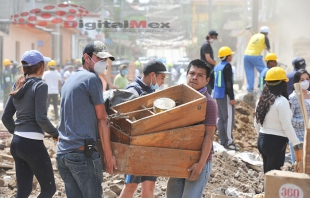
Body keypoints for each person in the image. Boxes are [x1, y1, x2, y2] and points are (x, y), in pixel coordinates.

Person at [56, 40, 117, 198]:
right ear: (86, 57)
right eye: (100, 59)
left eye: (105, 60)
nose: (103, 63)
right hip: (82, 155)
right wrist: (108, 156)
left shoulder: (69, 79)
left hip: (63, 155)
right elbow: (102, 119)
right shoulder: (92, 79)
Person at [1, 50, 59, 198]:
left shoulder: (18, 84)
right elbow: (41, 118)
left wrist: (19, 133)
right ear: (40, 66)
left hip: (17, 143)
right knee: (49, 189)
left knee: (23, 191)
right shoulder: (40, 86)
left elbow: (6, 117)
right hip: (32, 144)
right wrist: (55, 134)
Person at [166, 59, 217, 198]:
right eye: (192, 73)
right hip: (180, 159)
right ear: (186, 75)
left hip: (199, 161)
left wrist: (200, 164)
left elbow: (209, 136)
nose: (195, 77)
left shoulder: (209, 103)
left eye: (200, 75)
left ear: (207, 80)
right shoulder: (180, 98)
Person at [120, 60, 169, 198]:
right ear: (152, 75)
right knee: (130, 186)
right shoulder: (132, 92)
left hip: (150, 147)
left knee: (150, 186)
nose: (162, 82)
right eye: (162, 78)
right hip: (135, 149)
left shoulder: (152, 93)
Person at [254, 67, 302, 174]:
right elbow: (286, 125)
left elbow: (256, 123)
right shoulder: (282, 101)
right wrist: (296, 143)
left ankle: (265, 190)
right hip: (275, 142)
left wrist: (261, 137)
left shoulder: (261, 101)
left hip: (262, 139)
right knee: (274, 175)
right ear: (282, 84)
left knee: (268, 173)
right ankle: (268, 191)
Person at [209, 46, 238, 150]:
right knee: (229, 118)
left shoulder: (216, 66)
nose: (231, 56)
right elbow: (229, 83)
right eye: (230, 55)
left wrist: (215, 88)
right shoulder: (227, 66)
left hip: (217, 95)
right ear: (227, 56)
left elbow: (210, 79)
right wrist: (232, 97)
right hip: (225, 95)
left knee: (221, 118)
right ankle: (229, 142)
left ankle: (222, 140)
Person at [288, 69, 310, 163]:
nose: (305, 82)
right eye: (302, 80)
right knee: (299, 165)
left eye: (307, 79)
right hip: (298, 137)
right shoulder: (293, 98)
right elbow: (289, 119)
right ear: (297, 82)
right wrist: (305, 121)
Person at [244, 26, 271, 93]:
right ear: (266, 33)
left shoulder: (254, 36)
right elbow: (268, 48)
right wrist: (266, 47)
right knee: (264, 71)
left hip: (246, 55)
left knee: (249, 73)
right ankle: (261, 86)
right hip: (255, 56)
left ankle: (250, 89)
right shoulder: (265, 38)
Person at [200, 30, 219, 94]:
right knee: (208, 89)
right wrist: (215, 64)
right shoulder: (206, 45)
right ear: (209, 36)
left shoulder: (206, 45)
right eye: (213, 37)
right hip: (207, 70)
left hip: (206, 70)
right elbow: (208, 58)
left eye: (215, 38)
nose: (213, 39)